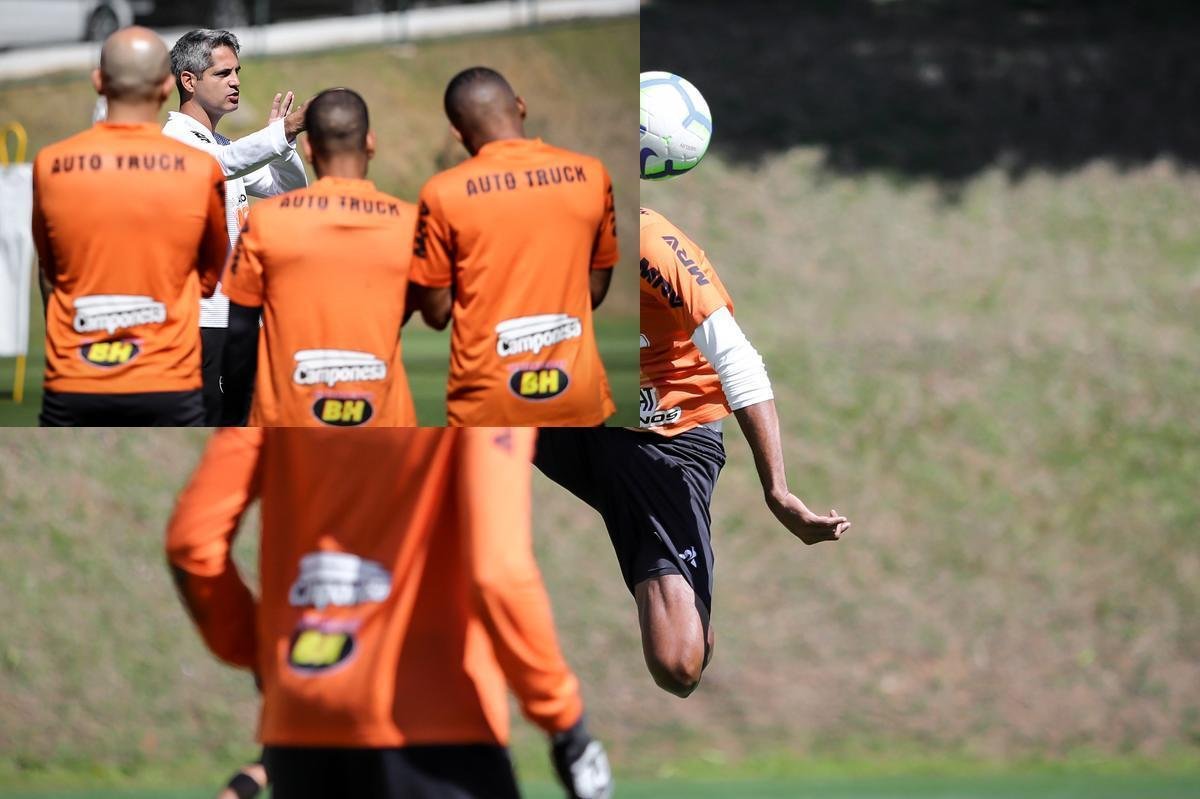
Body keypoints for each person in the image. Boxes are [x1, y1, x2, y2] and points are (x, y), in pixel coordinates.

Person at [166, 427, 613, 799]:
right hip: (438, 734)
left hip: (301, 725)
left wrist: (264, 654)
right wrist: (563, 722)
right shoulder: (486, 377)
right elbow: (497, 572)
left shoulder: (279, 375)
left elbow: (191, 542)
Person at [534, 208, 852, 698]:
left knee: (678, 664)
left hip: (666, 440)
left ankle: (687, 595)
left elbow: (736, 359)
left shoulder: (648, 242)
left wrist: (778, 492)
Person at [32, 26, 228, 426]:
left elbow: (51, 274)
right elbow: (210, 278)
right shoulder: (200, 169)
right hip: (168, 379)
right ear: (166, 87)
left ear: (98, 81)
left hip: (76, 378)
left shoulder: (51, 165)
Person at [407, 66, 618, 427]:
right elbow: (594, 291)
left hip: (487, 404)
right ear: (520, 105)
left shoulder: (442, 193)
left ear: (457, 132)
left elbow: (436, 314)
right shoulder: (590, 174)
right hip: (577, 398)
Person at [220, 88, 417, 427]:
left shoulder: (265, 221)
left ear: (309, 150)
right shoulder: (409, 221)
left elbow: (240, 328)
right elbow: (436, 310)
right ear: (370, 142)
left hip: (287, 420)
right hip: (383, 422)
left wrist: (236, 407)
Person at [164, 28, 309, 425]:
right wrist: (283, 132)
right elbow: (218, 165)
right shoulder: (175, 140)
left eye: (237, 72)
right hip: (202, 321)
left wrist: (285, 148)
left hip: (239, 320)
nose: (235, 81)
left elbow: (288, 192)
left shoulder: (222, 144)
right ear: (189, 81)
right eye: (223, 73)